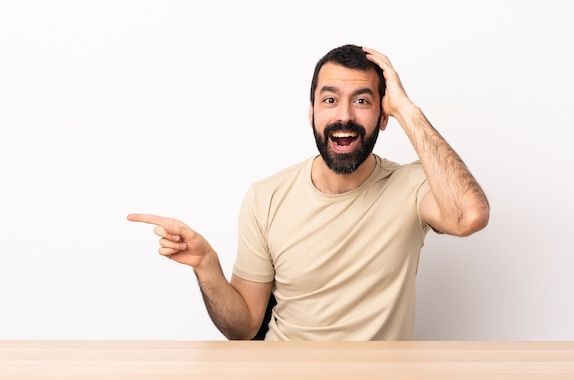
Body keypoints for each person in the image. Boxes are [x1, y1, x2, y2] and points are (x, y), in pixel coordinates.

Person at [127, 44, 490, 341]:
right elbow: (244, 328)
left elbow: (469, 215)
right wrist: (207, 267)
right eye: (329, 100)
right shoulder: (266, 197)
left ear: (384, 116)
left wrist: (408, 110)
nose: (344, 116)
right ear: (312, 112)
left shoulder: (412, 187)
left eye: (362, 101)